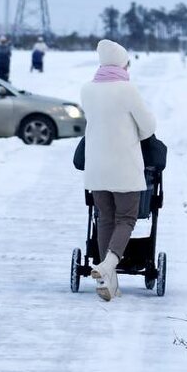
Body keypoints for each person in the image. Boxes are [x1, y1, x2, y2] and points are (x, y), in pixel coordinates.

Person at [79, 39, 156, 302]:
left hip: (97, 170)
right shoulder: (127, 90)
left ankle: (108, 283)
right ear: (123, 63)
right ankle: (107, 265)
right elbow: (148, 127)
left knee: (105, 219)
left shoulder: (87, 90)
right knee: (126, 219)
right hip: (124, 168)